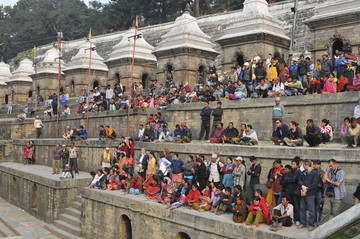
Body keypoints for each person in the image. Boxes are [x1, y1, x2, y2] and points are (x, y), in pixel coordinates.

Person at [320, 159, 346, 225]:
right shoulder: (329, 171)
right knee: (325, 211)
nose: (330, 167)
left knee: (336, 213)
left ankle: (336, 229)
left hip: (337, 196)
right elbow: (323, 180)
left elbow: (338, 183)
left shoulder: (341, 172)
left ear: (335, 164)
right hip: (328, 194)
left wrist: (329, 180)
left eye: (331, 166)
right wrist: (326, 171)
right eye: (329, 166)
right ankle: (322, 227)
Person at [297, 159, 318, 231]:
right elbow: (299, 180)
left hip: (310, 194)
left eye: (304, 165)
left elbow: (314, 184)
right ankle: (303, 223)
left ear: (307, 165)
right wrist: (302, 186)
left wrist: (307, 189)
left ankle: (311, 224)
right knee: (302, 208)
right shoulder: (303, 172)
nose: (303, 166)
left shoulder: (314, 173)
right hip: (303, 193)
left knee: (311, 210)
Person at [313, 160, 325, 224]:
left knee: (320, 206)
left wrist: (324, 193)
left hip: (319, 191)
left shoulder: (321, 173)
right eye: (313, 164)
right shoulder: (312, 171)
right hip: (313, 191)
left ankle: (320, 220)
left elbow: (324, 184)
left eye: (315, 164)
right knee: (313, 206)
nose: (314, 166)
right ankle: (314, 220)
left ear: (319, 165)